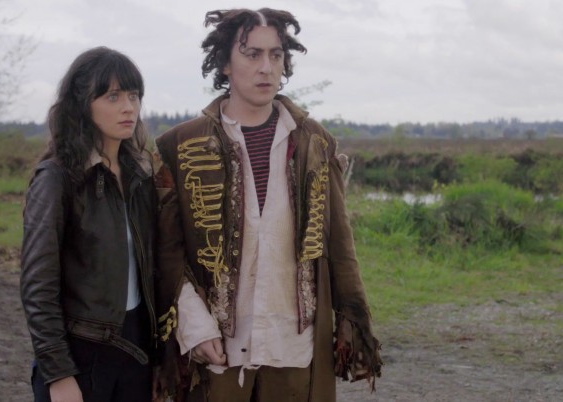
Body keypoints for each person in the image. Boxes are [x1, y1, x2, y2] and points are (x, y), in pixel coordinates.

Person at [152, 8, 381, 402]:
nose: (266, 67)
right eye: (252, 54)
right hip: (215, 347)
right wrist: (194, 325)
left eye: (276, 55)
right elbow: (166, 251)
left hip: (292, 345)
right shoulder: (179, 146)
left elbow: (341, 247)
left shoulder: (315, 142)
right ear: (225, 63)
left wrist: (354, 318)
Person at [20, 46, 158, 402]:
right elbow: (38, 286)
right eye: (113, 96)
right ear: (82, 103)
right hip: (80, 353)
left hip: (136, 350)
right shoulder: (57, 178)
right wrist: (58, 373)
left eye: (133, 95)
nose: (129, 107)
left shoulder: (140, 176)